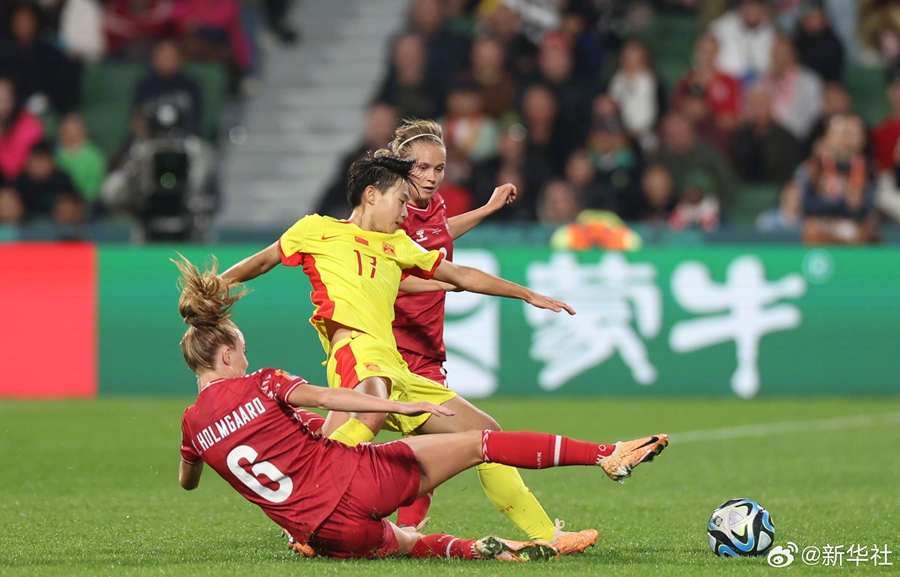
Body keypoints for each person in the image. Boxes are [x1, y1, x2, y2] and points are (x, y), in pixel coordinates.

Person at [174, 254, 669, 560]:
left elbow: (188, 482)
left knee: (407, 544)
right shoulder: (261, 383)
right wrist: (400, 407)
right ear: (227, 355)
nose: (246, 357)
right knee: (480, 442)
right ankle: (604, 454)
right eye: (242, 350)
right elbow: (326, 397)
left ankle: (488, 549)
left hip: (328, 534)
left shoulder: (193, 426)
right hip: (357, 472)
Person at [222, 152, 598, 554]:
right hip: (354, 348)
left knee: (486, 433)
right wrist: (216, 284)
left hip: (396, 365)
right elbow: (262, 262)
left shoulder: (397, 245)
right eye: (401, 201)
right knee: (371, 410)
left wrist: (526, 294)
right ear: (371, 195)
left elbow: (461, 275)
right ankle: (306, 508)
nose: (406, 213)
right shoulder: (316, 230)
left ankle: (547, 536)